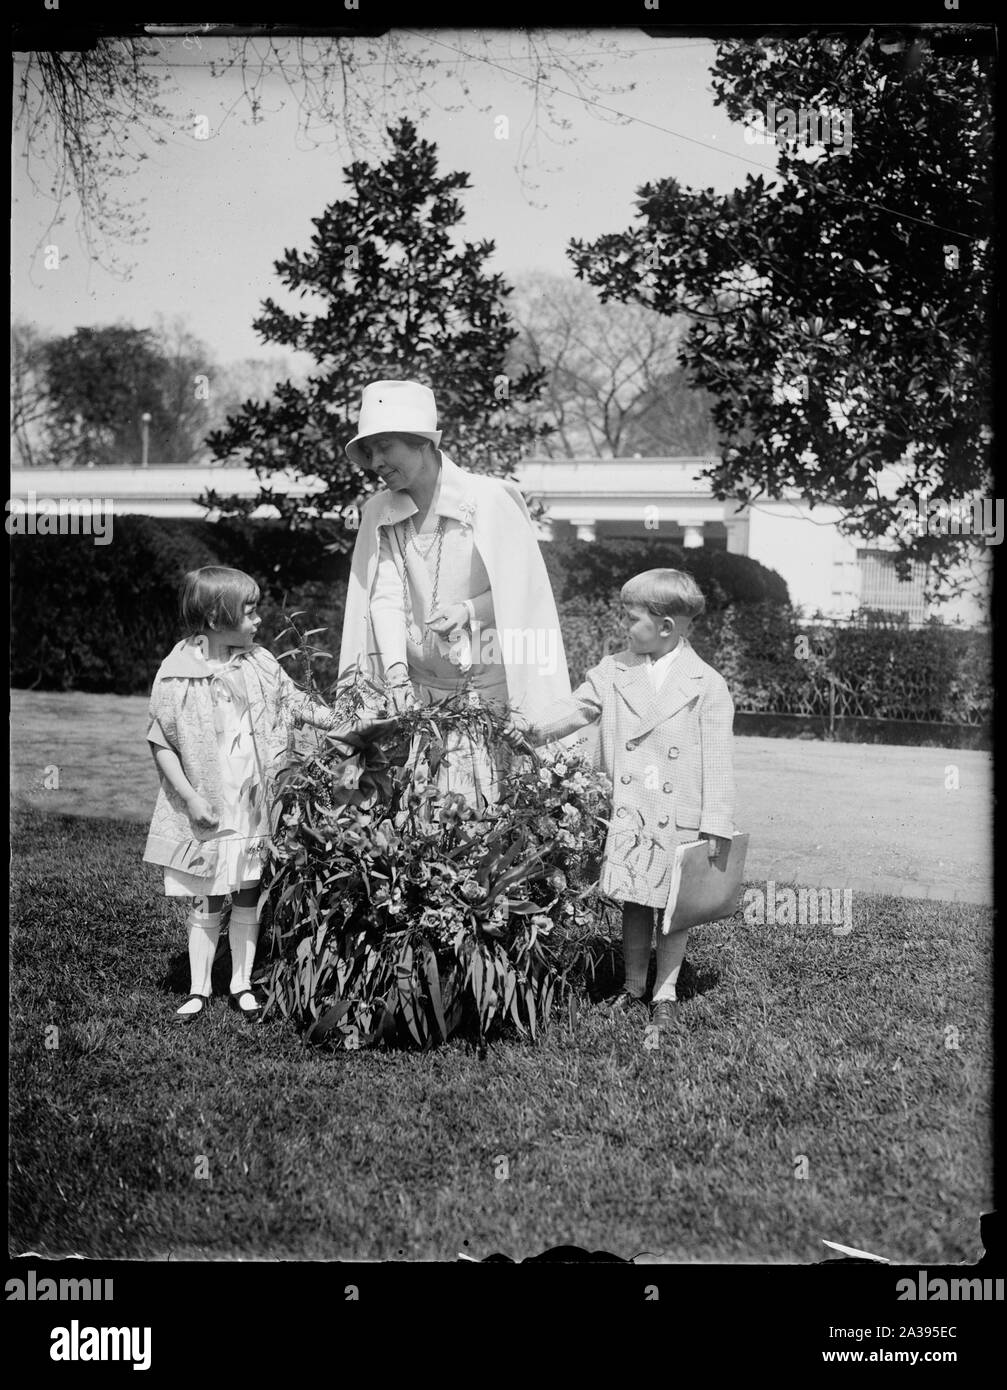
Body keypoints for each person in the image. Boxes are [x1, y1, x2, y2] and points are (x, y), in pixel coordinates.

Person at [339, 379, 573, 803]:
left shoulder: (491, 499)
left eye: (385, 446)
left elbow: (522, 594)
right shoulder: (379, 511)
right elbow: (384, 597)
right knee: (419, 819)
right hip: (416, 694)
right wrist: (394, 673)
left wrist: (469, 610)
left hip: (486, 690)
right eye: (369, 451)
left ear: (423, 443)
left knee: (487, 817)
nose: (375, 461)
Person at [522, 569, 736, 1029]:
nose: (624, 625)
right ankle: (633, 984)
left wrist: (716, 820)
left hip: (678, 813)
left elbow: (719, 759)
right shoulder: (613, 669)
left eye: (632, 617)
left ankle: (667, 990)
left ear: (666, 626)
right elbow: (576, 707)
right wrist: (526, 731)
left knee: (675, 909)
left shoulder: (706, 683)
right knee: (636, 901)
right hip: (632, 811)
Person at [143, 566, 341, 1023]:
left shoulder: (260, 662)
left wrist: (345, 725)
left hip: (253, 804)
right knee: (208, 895)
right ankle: (198, 988)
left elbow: (294, 704)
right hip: (209, 805)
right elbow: (162, 742)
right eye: (248, 612)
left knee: (249, 889)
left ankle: (241, 983)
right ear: (215, 616)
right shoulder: (176, 673)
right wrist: (191, 798)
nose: (257, 621)